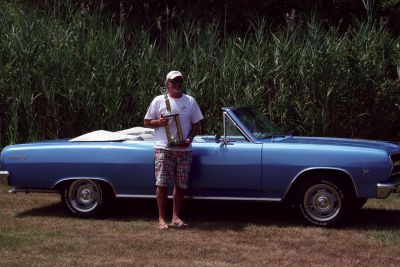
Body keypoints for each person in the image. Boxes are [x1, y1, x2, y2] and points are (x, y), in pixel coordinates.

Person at [144, 71, 203, 230]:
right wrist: (159, 121)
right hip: (164, 148)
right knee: (162, 184)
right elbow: (147, 121)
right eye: (173, 81)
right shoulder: (158, 100)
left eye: (179, 81)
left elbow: (196, 123)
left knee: (180, 184)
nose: (177, 84)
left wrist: (189, 139)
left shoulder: (190, 101)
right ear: (167, 84)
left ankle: (176, 217)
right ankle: (161, 219)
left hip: (184, 150)